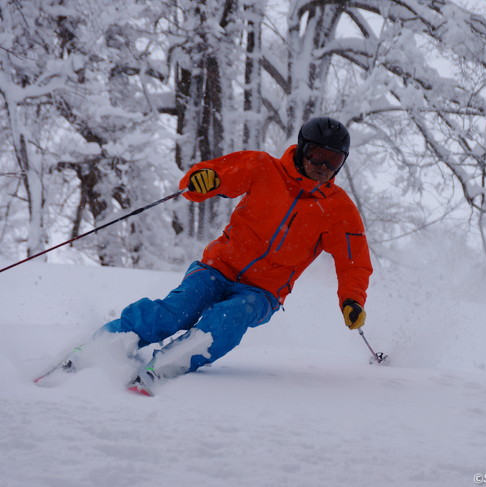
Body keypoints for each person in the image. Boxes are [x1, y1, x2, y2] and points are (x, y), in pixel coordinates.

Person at [54, 117, 373, 395]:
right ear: (302, 149)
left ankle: (173, 361)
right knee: (179, 309)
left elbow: (353, 261)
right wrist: (202, 180)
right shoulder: (264, 167)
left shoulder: (338, 210)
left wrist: (352, 300)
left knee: (230, 316)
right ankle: (104, 347)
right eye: (317, 156)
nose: (322, 167)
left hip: (263, 291)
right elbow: (215, 175)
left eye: (332, 161)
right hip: (218, 266)